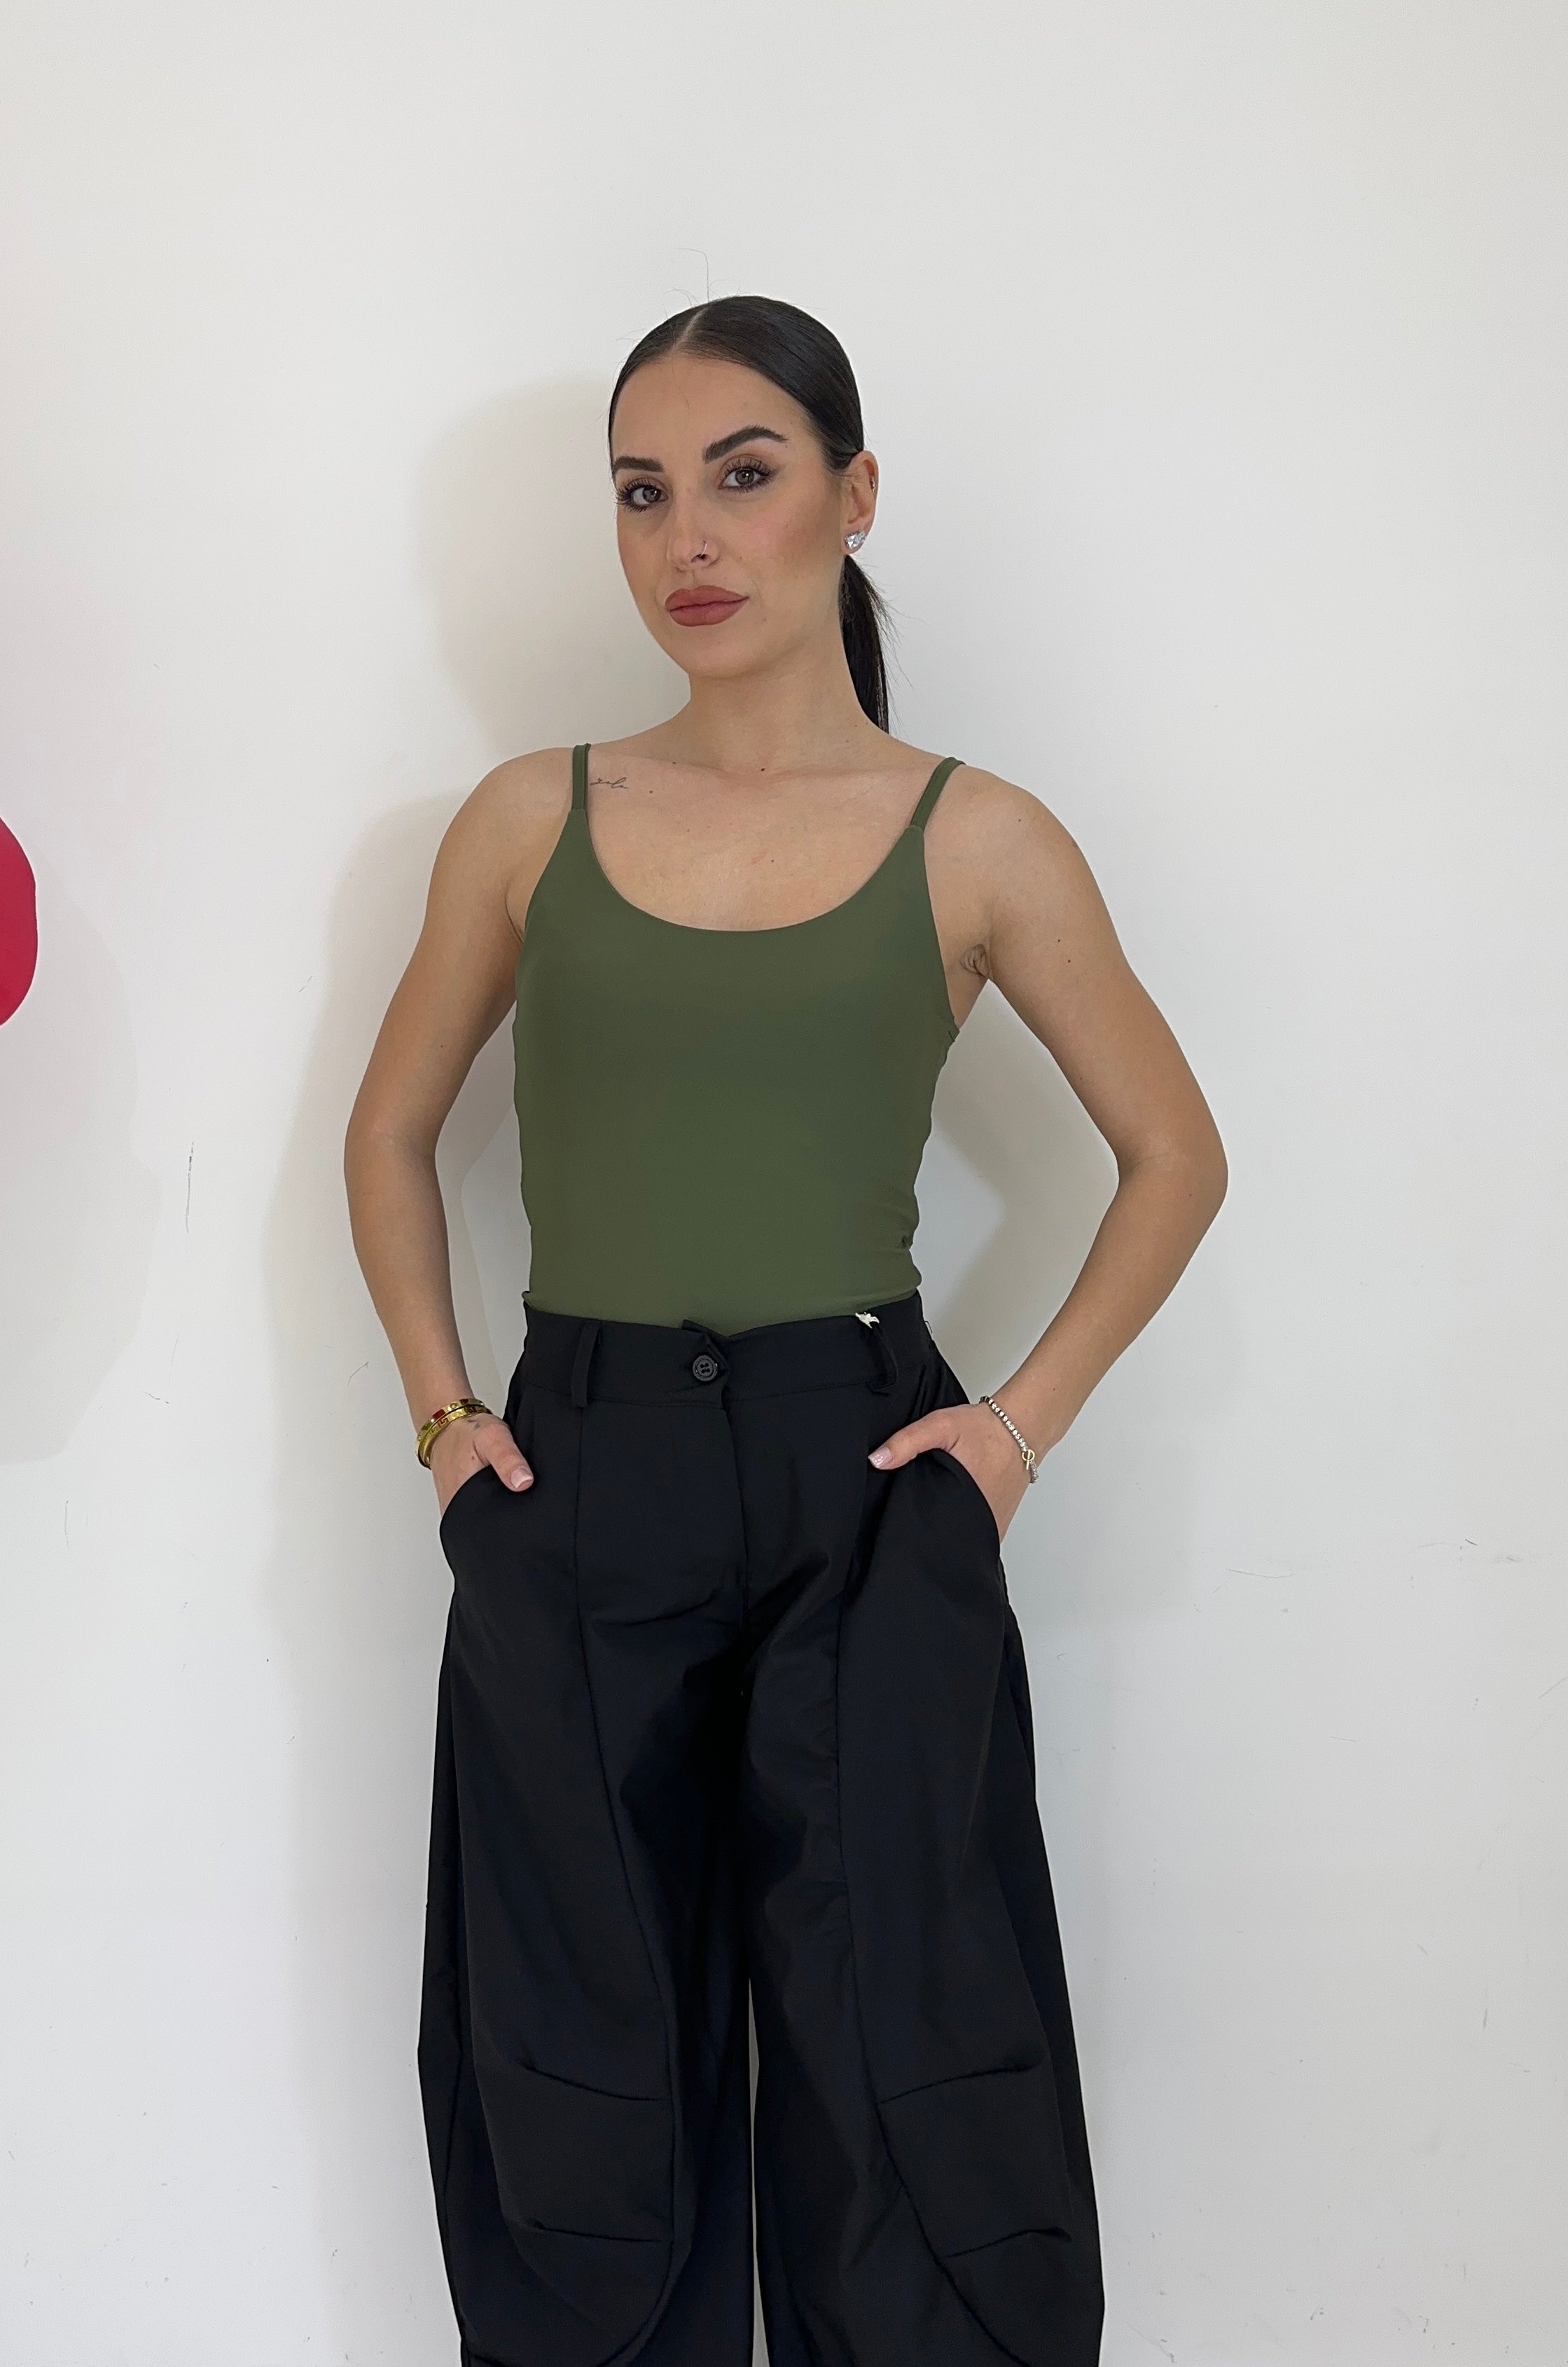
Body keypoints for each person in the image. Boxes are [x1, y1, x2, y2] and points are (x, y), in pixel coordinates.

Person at [344, 294, 1227, 2367]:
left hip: (867, 1476)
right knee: (580, 2041)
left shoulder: (978, 836)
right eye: (643, 492)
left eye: (743, 475)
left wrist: (1010, 1434)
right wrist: (447, 1420)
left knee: (901, 2029)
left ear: (854, 490)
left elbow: (1175, 1155)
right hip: (581, 1470)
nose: (691, 538)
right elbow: (388, 1135)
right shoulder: (530, 818)